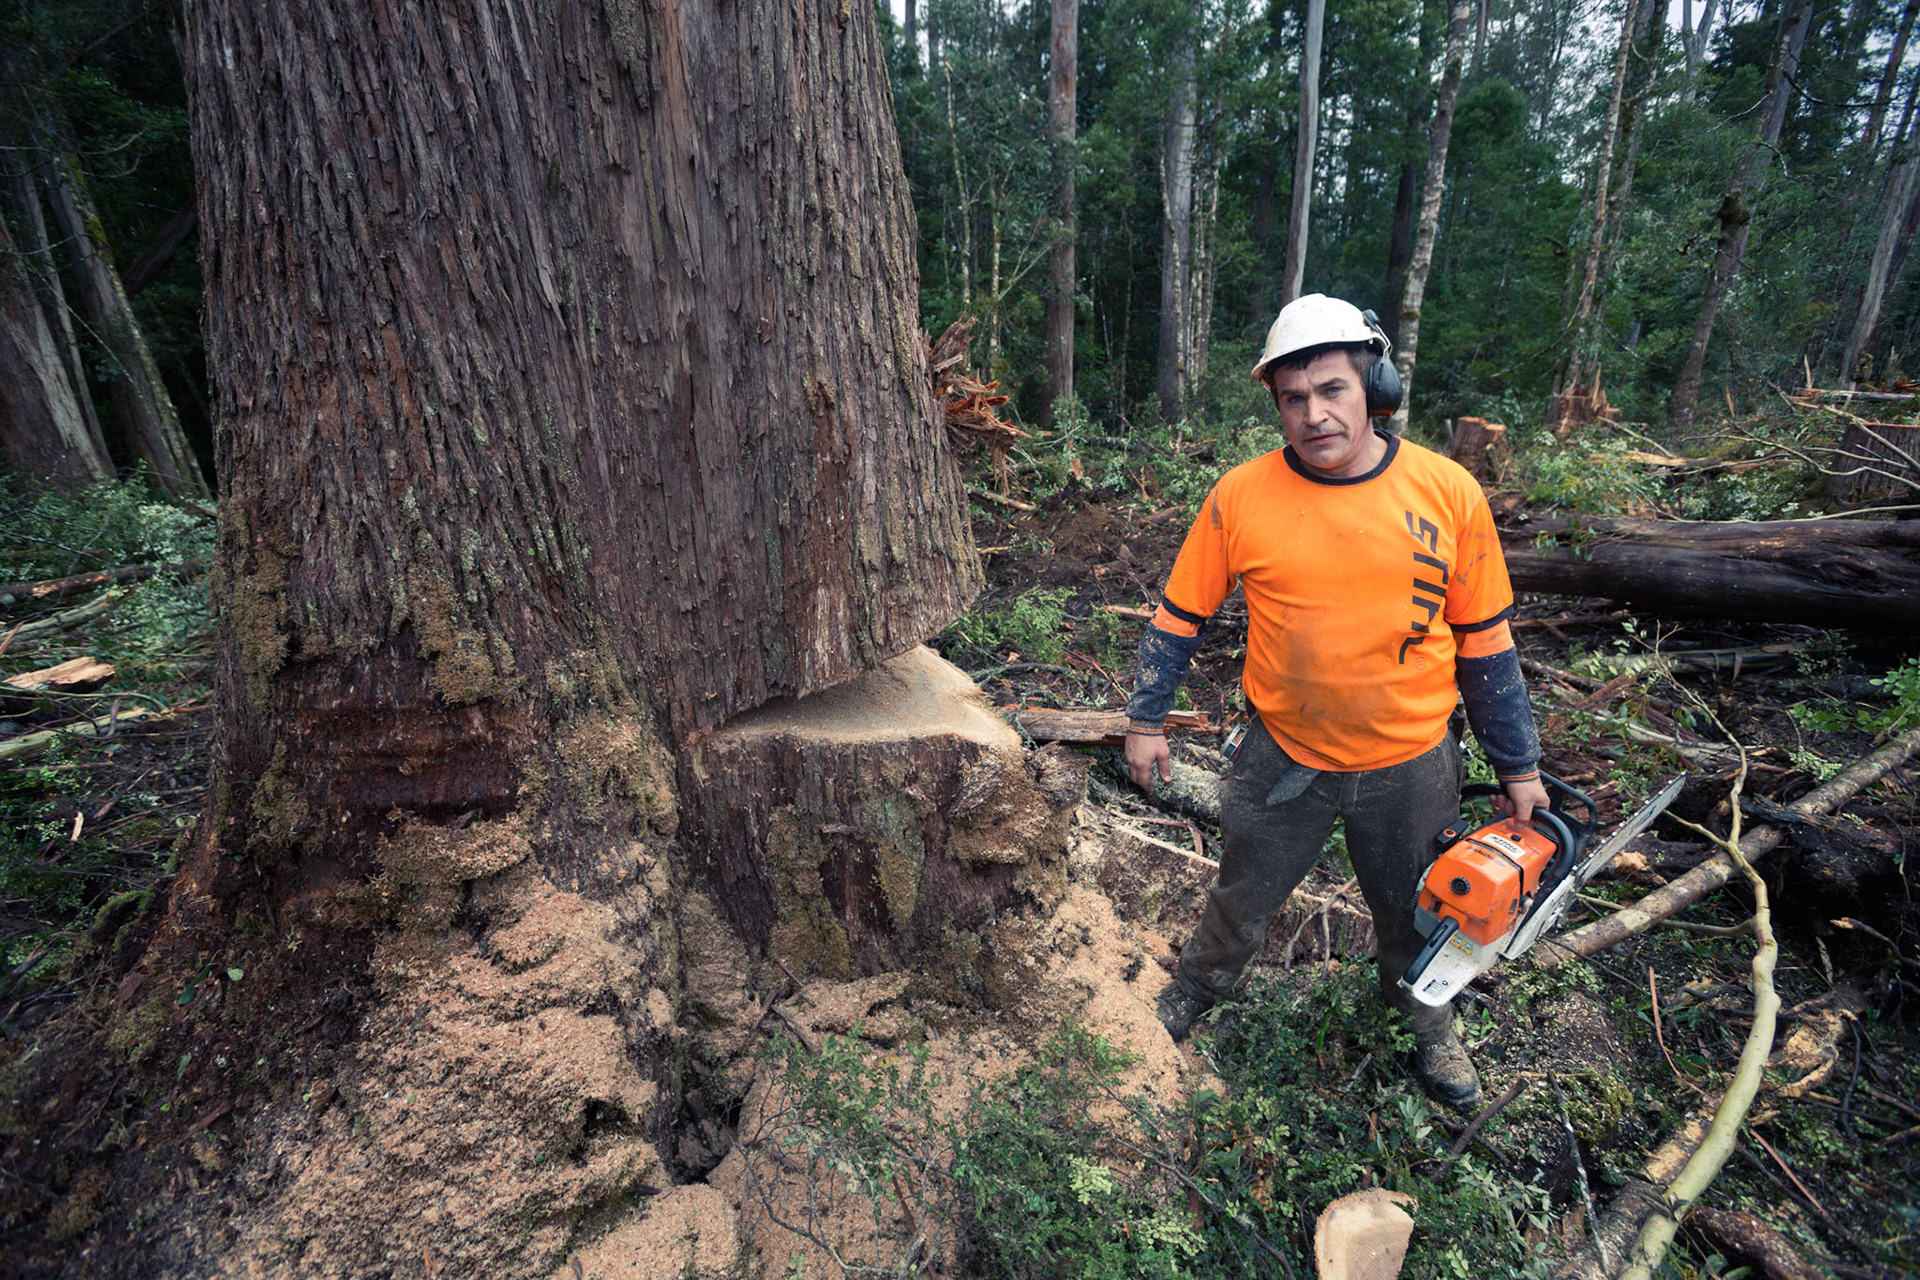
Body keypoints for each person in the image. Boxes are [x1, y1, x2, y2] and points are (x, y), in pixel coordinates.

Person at [1123, 293, 1547, 1110]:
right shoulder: (1241, 496)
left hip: (1411, 762)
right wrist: (1144, 720)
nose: (1313, 414)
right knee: (1242, 892)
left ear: (1373, 386)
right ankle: (1201, 988)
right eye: (1293, 398)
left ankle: (1427, 1026)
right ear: (1276, 405)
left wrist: (1519, 765)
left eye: (1332, 390)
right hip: (1282, 757)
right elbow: (1179, 617)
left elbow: (1486, 643)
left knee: (1418, 913)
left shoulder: (1449, 492)